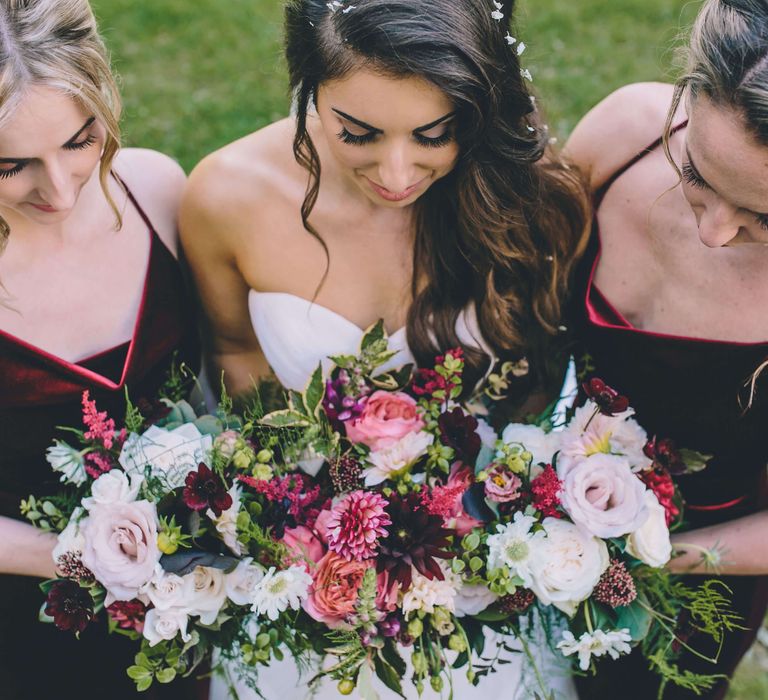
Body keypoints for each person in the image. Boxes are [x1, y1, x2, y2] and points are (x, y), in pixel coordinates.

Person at [182, 1, 588, 697]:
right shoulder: (226, 197)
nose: (398, 174)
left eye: (435, 134)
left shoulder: (527, 200)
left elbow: (535, 377)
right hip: (303, 558)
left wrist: (486, 508)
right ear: (308, 85)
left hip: (479, 555)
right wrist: (293, 511)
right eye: (357, 133)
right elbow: (235, 350)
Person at [565, 1, 768, 697]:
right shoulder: (625, 134)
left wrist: (641, 559)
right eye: (699, 175)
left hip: (690, 585)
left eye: (765, 217)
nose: (714, 232)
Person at [0, 1, 201, 698]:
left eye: (81, 143)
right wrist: (84, 558)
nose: (57, 189)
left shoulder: (156, 189)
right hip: (29, 636)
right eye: (11, 166)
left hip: (199, 604)